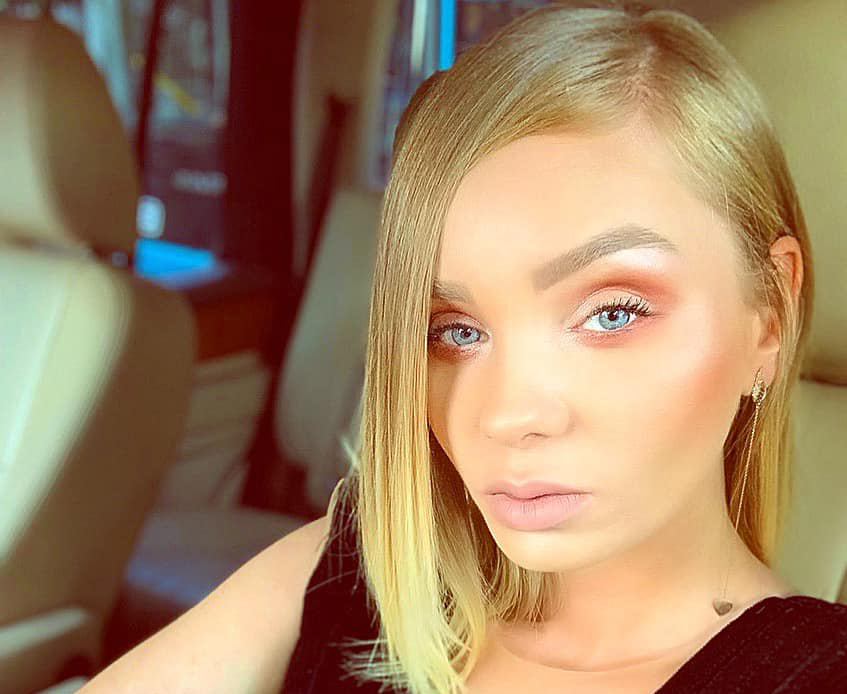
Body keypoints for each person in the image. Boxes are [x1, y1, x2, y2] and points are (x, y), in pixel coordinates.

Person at [80, 3, 847, 694]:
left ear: (770, 318)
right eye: (454, 330)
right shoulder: (358, 571)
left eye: (612, 314)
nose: (507, 416)